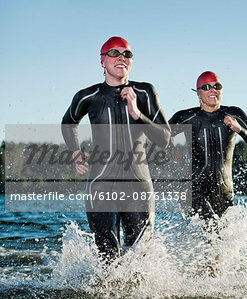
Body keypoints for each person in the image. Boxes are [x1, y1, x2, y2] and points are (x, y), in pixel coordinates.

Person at [61, 36, 171, 262]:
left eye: (127, 54)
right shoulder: (88, 96)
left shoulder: (145, 92)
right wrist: (75, 152)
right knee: (107, 259)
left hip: (138, 185)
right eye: (114, 53)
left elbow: (165, 139)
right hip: (101, 183)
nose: (121, 57)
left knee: (140, 260)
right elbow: (68, 122)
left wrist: (137, 114)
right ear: (102, 61)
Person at [169, 71, 247, 222]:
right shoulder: (184, 117)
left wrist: (240, 130)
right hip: (193, 190)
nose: (213, 90)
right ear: (198, 93)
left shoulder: (234, 113)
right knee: (211, 228)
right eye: (207, 86)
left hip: (224, 191)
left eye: (217, 86)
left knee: (223, 241)